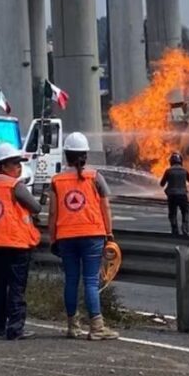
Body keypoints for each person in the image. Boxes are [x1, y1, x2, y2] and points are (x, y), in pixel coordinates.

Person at [47, 132, 119, 341]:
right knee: (90, 280)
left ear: (66, 155)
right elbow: (105, 205)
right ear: (85, 156)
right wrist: (109, 232)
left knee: (71, 280)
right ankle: (96, 327)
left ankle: (72, 326)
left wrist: (53, 239)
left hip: (66, 236)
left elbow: (52, 213)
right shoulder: (95, 177)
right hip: (92, 234)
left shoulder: (56, 181)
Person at [0, 143, 41, 340]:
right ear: (3, 165)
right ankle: (15, 327)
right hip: (16, 243)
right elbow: (36, 207)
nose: (19, 167)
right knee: (16, 286)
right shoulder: (15, 186)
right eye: (15, 163)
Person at [159, 152, 189, 236]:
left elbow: (162, 184)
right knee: (185, 212)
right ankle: (185, 228)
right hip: (182, 195)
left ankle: (175, 230)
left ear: (171, 162)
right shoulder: (184, 170)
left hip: (172, 196)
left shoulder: (168, 171)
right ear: (180, 161)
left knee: (172, 213)